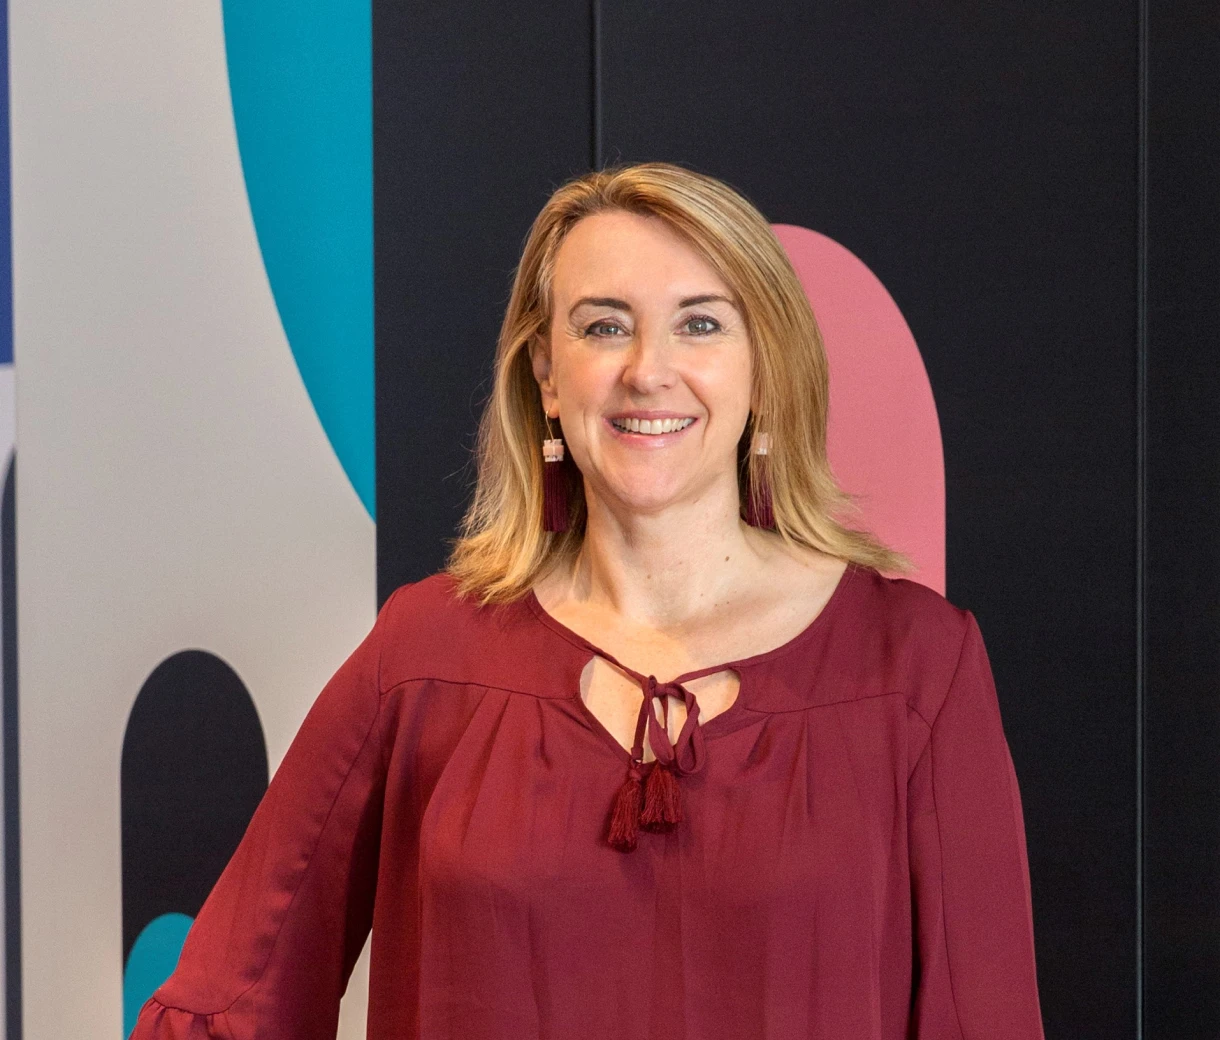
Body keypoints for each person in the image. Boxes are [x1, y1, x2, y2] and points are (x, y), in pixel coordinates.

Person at [132, 162, 1045, 1039]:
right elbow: (230, 1001)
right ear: (544, 372)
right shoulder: (423, 656)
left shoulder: (918, 666)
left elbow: (985, 1021)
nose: (649, 370)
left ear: (765, 367)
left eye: (700, 325)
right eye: (604, 327)